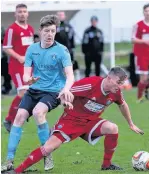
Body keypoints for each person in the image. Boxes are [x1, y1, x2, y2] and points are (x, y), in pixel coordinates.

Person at [5, 67, 144, 174]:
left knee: (112, 128)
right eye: (118, 82)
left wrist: (130, 123)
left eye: (122, 83)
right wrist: (66, 102)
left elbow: (123, 104)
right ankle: (17, 171)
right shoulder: (90, 84)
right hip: (70, 121)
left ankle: (106, 165)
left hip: (90, 123)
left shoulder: (116, 92)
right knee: (48, 148)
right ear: (108, 78)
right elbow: (65, 92)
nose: (120, 86)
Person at [1, 14, 74, 172]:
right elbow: (26, 74)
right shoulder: (32, 49)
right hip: (34, 90)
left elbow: (70, 75)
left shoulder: (62, 50)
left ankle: (47, 156)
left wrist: (66, 89)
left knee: (38, 112)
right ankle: (9, 160)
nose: (50, 34)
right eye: (47, 31)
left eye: (53, 31)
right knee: (19, 117)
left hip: (53, 92)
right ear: (40, 31)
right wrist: (29, 80)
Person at [2, 4, 34, 132]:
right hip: (16, 66)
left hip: (29, 67)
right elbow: (6, 47)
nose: (22, 14)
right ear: (15, 14)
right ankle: (9, 119)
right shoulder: (12, 29)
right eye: (19, 12)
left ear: (27, 14)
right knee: (22, 92)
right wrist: (19, 57)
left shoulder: (30, 29)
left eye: (24, 11)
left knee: (30, 93)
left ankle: (19, 116)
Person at [55, 11, 80, 80]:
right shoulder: (54, 27)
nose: (60, 16)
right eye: (59, 15)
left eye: (62, 15)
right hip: (58, 50)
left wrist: (72, 49)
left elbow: (72, 38)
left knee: (69, 66)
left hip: (68, 50)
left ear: (64, 16)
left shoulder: (69, 26)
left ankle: (71, 80)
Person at [132, 3, 149, 102]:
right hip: (142, 55)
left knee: (146, 78)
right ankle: (139, 97)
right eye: (146, 11)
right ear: (143, 12)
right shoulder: (138, 25)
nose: (148, 13)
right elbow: (133, 39)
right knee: (143, 78)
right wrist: (144, 41)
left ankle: (146, 92)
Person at [1, 26, 12, 95]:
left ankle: (6, 88)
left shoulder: (7, 42)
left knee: (7, 76)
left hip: (5, 61)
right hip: (4, 60)